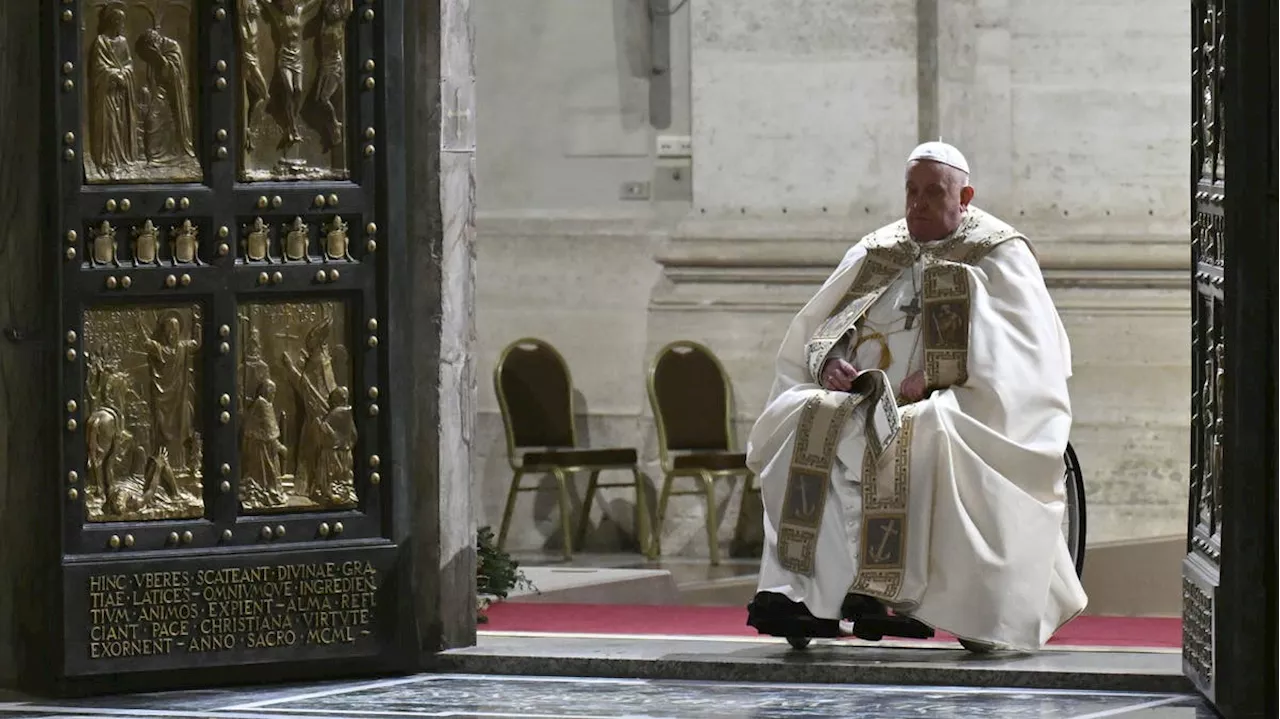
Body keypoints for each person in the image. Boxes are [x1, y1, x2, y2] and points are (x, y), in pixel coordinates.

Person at [744, 141, 1087, 651]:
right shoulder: (878, 249)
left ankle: (891, 592)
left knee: (921, 431)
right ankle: (805, 596)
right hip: (860, 397)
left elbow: (1026, 353)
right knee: (802, 415)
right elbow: (822, 327)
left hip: (960, 400)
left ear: (964, 195)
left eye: (932, 192)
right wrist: (830, 362)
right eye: (911, 191)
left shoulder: (998, 251)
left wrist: (938, 374)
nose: (917, 204)